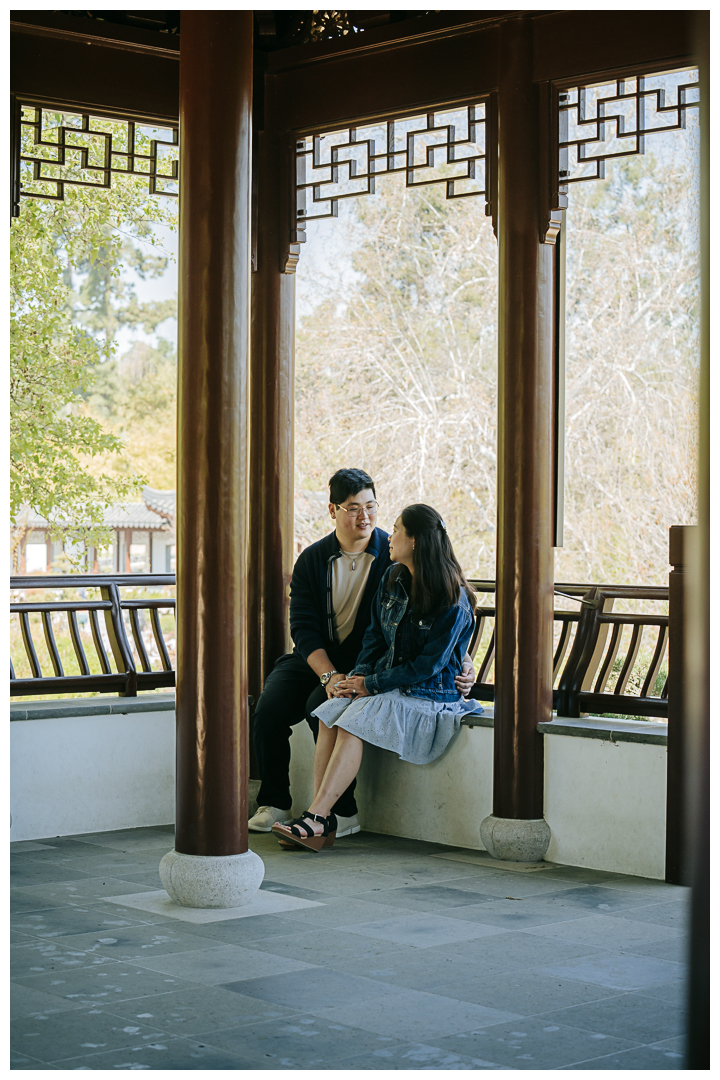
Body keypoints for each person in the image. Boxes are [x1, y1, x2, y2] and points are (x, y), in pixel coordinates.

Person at [249, 472, 476, 838]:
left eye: (371, 507)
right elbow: (306, 627)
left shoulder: (393, 559)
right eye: (353, 508)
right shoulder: (315, 560)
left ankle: (333, 813)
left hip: (384, 675)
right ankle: (282, 804)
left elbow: (437, 646)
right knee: (271, 709)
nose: (365, 516)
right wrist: (334, 676)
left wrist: (462, 661)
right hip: (328, 661)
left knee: (323, 709)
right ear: (333, 510)